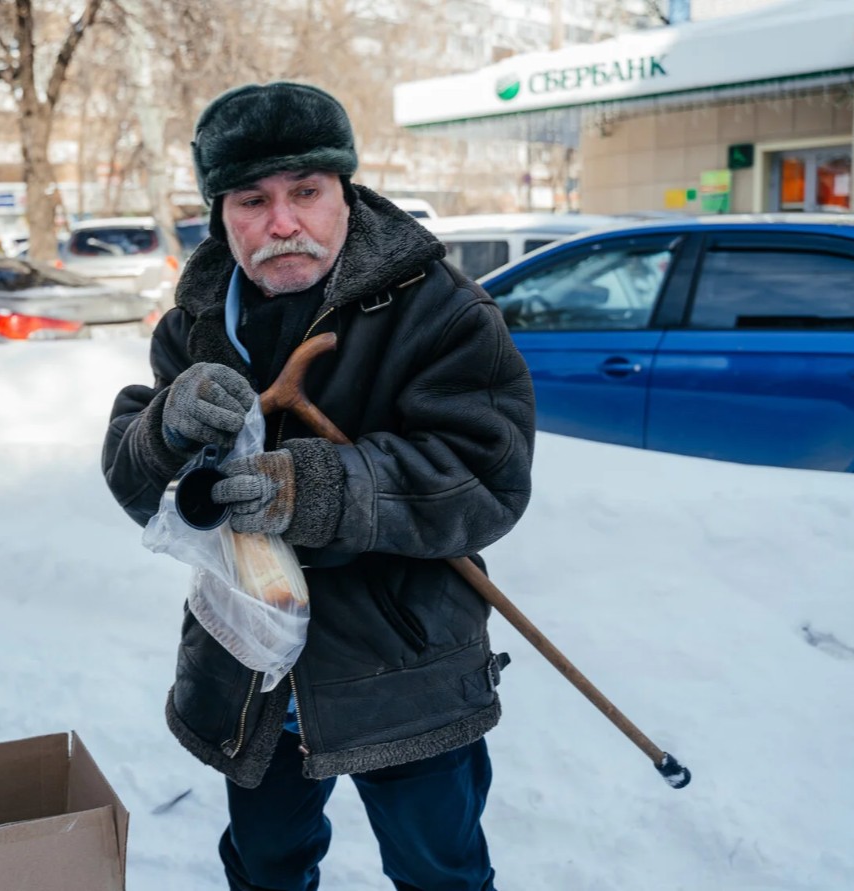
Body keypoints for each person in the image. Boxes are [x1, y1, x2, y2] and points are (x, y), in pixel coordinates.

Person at [102, 82, 536, 891]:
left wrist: (321, 489)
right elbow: (146, 493)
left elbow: (486, 477)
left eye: (305, 192)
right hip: (252, 667)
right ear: (220, 212)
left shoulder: (441, 311)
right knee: (267, 866)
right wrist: (167, 431)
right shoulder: (194, 323)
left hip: (402, 667)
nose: (281, 223)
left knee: (440, 871)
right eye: (251, 199)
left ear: (346, 192)